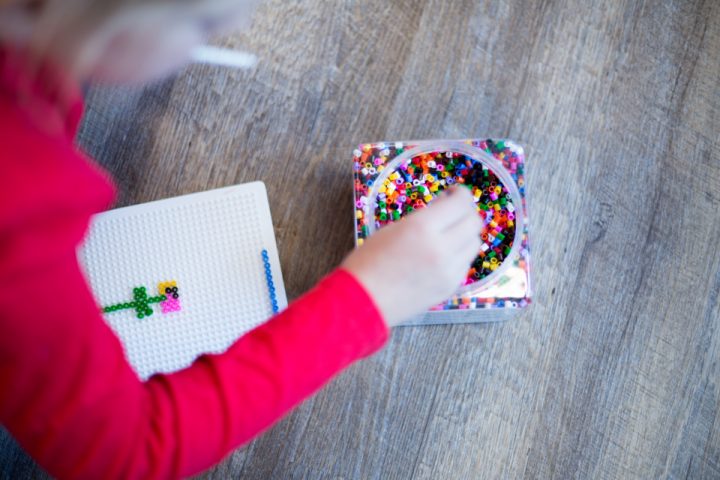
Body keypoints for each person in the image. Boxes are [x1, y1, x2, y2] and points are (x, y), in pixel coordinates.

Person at [0, 0, 483, 478]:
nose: (228, 31)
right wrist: (371, 298)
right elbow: (125, 453)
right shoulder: (17, 204)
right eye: (203, 23)